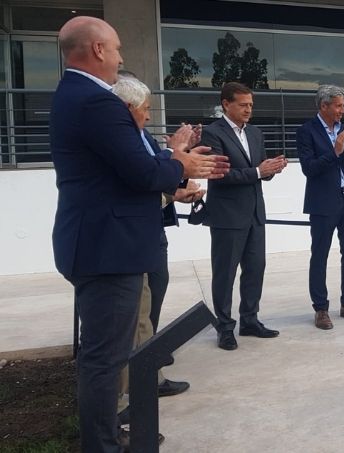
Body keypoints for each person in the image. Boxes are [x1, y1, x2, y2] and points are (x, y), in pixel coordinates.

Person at [50, 16, 228, 453]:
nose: (120, 57)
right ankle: (104, 445)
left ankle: (107, 437)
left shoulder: (73, 94)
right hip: (108, 250)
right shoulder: (98, 101)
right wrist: (179, 162)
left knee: (106, 356)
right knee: (105, 360)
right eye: (116, 48)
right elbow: (142, 172)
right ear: (97, 50)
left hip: (99, 244)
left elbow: (128, 171)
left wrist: (172, 160)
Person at [111, 74, 204, 425]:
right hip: (132, 239)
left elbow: (158, 175)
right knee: (134, 317)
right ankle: (128, 397)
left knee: (148, 308)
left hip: (151, 232)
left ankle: (149, 375)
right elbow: (144, 181)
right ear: (128, 107)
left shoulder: (141, 136)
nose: (150, 115)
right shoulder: (120, 142)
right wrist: (176, 158)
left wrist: (181, 167)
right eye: (146, 108)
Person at [201, 81, 287, 351]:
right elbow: (219, 174)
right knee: (225, 274)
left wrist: (272, 169)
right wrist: (259, 172)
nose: (249, 109)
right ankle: (225, 327)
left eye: (251, 105)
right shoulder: (212, 133)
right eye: (243, 105)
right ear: (226, 104)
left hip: (254, 214)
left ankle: (249, 320)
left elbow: (259, 171)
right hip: (227, 216)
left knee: (255, 268)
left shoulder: (255, 132)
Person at [297, 85, 344, 330]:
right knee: (320, 255)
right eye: (338, 106)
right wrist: (336, 151)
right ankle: (321, 309)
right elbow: (309, 169)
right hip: (322, 202)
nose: (342, 110)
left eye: (343, 106)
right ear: (324, 105)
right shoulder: (307, 131)